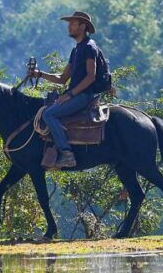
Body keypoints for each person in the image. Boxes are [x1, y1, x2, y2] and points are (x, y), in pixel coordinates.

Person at [30, 11, 111, 168]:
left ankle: (66, 153)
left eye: (73, 24)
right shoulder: (76, 50)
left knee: (48, 114)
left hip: (84, 96)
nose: (69, 26)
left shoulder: (89, 47)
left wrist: (70, 94)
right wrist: (39, 74)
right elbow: (62, 78)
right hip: (76, 95)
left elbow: (91, 77)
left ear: (83, 26)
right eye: (70, 23)